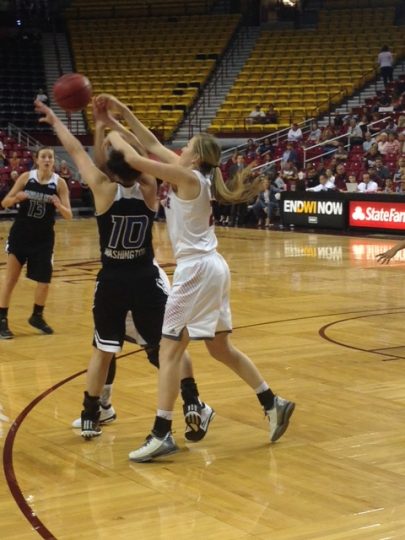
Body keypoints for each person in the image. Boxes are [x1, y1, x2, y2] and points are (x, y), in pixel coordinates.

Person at [94, 94, 296, 462]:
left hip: (196, 271)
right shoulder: (192, 174)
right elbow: (151, 144)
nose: (180, 147)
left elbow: (138, 158)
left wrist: (112, 133)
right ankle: (273, 402)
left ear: (197, 156)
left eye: (186, 145)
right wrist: (121, 113)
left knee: (168, 349)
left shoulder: (187, 176)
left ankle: (161, 432)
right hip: (212, 267)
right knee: (220, 348)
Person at [34, 98, 214, 443]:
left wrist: (59, 121)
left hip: (113, 280)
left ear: (110, 170)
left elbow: (76, 152)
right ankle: (191, 400)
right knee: (169, 347)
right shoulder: (150, 189)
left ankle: (91, 414)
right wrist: (111, 126)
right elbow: (133, 154)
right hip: (146, 278)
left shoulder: (102, 190)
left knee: (103, 348)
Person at [0, 147, 72, 339]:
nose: (47, 160)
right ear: (37, 160)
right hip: (21, 235)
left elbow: (69, 215)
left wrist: (59, 205)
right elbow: (5, 202)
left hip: (43, 239)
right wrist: (17, 197)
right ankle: (2, 320)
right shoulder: (26, 178)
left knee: (44, 281)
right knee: (10, 280)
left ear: (54, 161)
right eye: (44, 157)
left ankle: (37, 316)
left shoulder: (60, 183)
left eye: (50, 157)